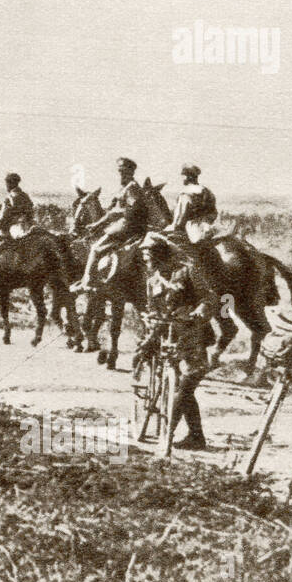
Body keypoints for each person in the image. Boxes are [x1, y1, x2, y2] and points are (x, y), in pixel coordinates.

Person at [138, 231, 218, 449]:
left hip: (193, 334)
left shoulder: (187, 270)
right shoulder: (152, 280)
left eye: (150, 256)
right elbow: (152, 310)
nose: (147, 261)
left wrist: (201, 310)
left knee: (188, 382)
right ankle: (196, 436)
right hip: (167, 338)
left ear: (160, 254)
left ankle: (167, 433)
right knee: (183, 388)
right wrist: (150, 330)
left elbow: (209, 297)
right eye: (145, 257)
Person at [72, 157, 144, 293]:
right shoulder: (126, 187)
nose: (121, 175)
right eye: (120, 172)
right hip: (123, 224)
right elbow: (112, 212)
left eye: (123, 172)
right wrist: (97, 224)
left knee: (95, 248)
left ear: (130, 172)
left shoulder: (132, 188)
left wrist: (100, 222)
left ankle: (87, 281)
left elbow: (131, 209)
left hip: (126, 226)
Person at [166, 163, 218, 243]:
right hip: (207, 229)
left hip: (191, 233)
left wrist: (171, 228)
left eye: (183, 176)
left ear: (188, 177)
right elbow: (214, 213)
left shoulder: (185, 193)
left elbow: (180, 217)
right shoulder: (207, 191)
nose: (181, 178)